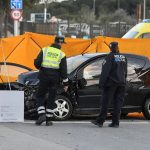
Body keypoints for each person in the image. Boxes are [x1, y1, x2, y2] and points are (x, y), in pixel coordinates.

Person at [91, 42, 127, 128]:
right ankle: (115, 122)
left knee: (105, 102)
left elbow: (105, 72)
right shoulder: (123, 57)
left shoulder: (109, 57)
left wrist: (101, 83)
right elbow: (125, 72)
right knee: (118, 103)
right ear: (117, 47)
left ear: (111, 48)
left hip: (111, 84)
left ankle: (100, 121)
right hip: (122, 83)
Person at [34, 36, 68, 126]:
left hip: (44, 76)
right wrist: (65, 83)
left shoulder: (44, 50)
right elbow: (64, 71)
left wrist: (39, 65)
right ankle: (48, 120)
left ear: (54, 41)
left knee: (40, 95)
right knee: (51, 97)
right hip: (55, 79)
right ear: (60, 43)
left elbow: (37, 63)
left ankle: (41, 114)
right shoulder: (62, 54)